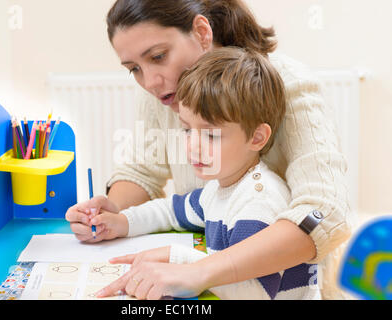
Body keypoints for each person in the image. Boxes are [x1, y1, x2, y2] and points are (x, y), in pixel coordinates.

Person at [66, 0, 353, 299]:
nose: (150, 81)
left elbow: (324, 213)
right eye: (134, 68)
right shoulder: (163, 93)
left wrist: (195, 269)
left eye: (159, 56)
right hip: (212, 278)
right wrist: (111, 216)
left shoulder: (287, 84)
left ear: (202, 32)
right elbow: (143, 171)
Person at [91, 47, 321, 299]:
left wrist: (179, 260)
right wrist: (123, 222)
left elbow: (255, 293)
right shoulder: (218, 188)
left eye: (211, 134)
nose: (193, 145)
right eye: (187, 130)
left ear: (257, 137)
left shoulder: (258, 200)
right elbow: (172, 211)